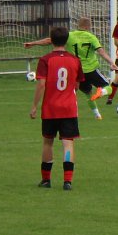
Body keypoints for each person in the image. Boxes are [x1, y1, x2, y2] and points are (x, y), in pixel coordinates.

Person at [24, 17, 118, 120]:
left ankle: (97, 115)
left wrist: (33, 43)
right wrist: (111, 63)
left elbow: (49, 40)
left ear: (78, 25)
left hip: (76, 71)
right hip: (91, 69)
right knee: (108, 87)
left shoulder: (70, 35)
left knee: (88, 93)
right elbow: (101, 51)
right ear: (88, 27)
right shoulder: (91, 37)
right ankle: (101, 92)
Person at [30, 27, 84, 191]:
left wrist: (34, 106)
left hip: (50, 108)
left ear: (51, 40)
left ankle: (46, 180)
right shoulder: (75, 60)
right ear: (66, 41)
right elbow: (77, 84)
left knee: (48, 142)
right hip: (68, 108)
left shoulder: (46, 60)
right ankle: (67, 181)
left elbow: (41, 84)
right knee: (68, 144)